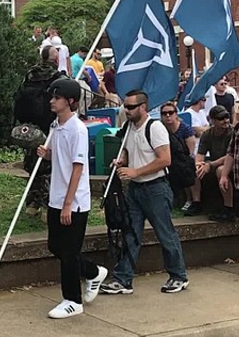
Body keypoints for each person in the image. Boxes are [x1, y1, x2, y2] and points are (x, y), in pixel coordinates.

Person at [100, 90, 188, 295]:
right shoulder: (129, 127)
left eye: (131, 107)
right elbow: (128, 149)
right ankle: (123, 278)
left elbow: (165, 159)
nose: (127, 110)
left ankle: (178, 275)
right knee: (130, 233)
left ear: (143, 107)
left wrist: (135, 171)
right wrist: (122, 160)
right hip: (136, 189)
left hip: (155, 187)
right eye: (125, 106)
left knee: (165, 233)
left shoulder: (155, 127)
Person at [37, 78, 107, 319]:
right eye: (52, 97)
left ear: (70, 101)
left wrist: (68, 204)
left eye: (56, 97)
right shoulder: (56, 126)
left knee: (68, 252)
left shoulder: (78, 129)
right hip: (56, 196)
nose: (52, 101)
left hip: (74, 201)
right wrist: (47, 155)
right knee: (55, 246)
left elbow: (78, 167)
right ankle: (93, 272)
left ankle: (72, 300)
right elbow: (60, 159)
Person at [14, 45, 64, 222]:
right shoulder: (58, 77)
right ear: (56, 60)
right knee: (50, 166)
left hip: (30, 126)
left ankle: (32, 204)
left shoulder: (30, 74)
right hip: (49, 126)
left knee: (32, 164)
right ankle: (47, 205)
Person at [190, 105, 234, 221]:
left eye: (227, 117)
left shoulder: (232, 132)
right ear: (213, 120)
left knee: (221, 170)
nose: (225, 121)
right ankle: (196, 202)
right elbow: (200, 155)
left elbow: (231, 156)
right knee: (195, 167)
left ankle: (228, 208)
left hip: (232, 165)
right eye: (221, 118)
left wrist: (210, 164)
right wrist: (200, 165)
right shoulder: (207, 134)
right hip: (214, 163)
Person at [159, 101, 196, 207]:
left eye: (170, 112)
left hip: (183, 159)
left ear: (176, 114)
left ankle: (190, 199)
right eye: (164, 113)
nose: (168, 116)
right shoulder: (160, 129)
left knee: (185, 169)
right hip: (167, 158)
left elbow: (190, 151)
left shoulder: (185, 129)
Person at [184, 97, 210, 213]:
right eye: (204, 99)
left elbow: (206, 130)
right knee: (195, 170)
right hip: (194, 152)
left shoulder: (202, 113)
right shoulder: (189, 114)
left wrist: (204, 129)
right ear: (200, 100)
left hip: (206, 150)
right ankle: (195, 201)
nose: (205, 102)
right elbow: (198, 131)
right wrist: (205, 129)